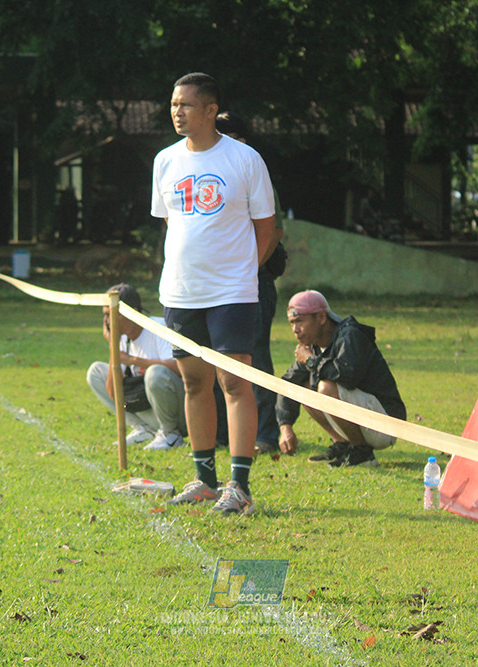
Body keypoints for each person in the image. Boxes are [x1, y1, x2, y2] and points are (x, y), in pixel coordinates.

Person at [151, 72, 276, 515]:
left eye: (185, 105)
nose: (177, 112)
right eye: (173, 104)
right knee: (193, 382)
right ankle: (205, 478)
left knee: (235, 383)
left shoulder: (244, 159)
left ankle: (238, 485)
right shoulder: (165, 160)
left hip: (232, 294)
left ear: (209, 110)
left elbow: (268, 229)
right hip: (181, 292)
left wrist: (242, 273)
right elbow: (172, 223)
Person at [215, 111, 288, 456]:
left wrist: (247, 269)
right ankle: (221, 432)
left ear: (241, 139)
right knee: (217, 358)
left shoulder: (253, 170)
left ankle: (266, 434)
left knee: (255, 355)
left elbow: (273, 231)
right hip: (217, 283)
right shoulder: (214, 172)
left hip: (252, 281)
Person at [276, 290, 407, 468]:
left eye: (300, 321)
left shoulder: (351, 335)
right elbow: (288, 383)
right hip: (364, 420)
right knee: (304, 387)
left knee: (326, 388)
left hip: (385, 425)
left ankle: (362, 454)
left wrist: (310, 361)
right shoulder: (313, 347)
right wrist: (285, 426)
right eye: (292, 323)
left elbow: (347, 376)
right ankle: (343, 445)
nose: (295, 330)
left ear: (321, 318)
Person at [86, 284, 187, 451]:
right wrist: (114, 347)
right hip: (150, 410)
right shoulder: (120, 337)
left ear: (130, 312)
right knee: (95, 372)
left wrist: (134, 360)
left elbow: (179, 367)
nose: (106, 321)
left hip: (180, 413)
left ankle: (171, 435)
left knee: (155, 373)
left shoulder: (158, 327)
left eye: (111, 314)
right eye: (105, 315)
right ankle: (143, 429)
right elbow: (113, 393)